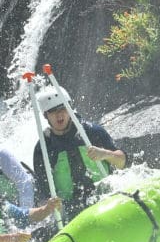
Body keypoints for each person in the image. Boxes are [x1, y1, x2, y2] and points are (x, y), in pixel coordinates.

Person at [33, 86, 128, 220]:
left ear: (70, 108)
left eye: (62, 109)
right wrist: (50, 206)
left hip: (104, 198)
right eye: (53, 112)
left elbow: (123, 162)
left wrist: (105, 154)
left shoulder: (92, 132)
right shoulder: (43, 148)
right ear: (45, 115)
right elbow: (43, 193)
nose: (59, 115)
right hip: (71, 210)